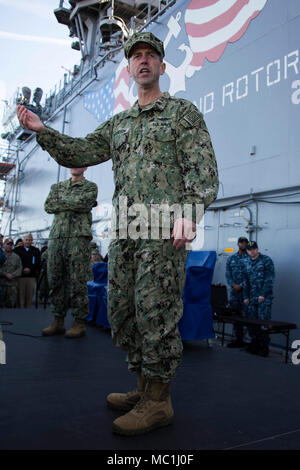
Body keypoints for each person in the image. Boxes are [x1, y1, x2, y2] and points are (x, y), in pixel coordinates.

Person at [16, 31, 219, 435]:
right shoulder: (119, 124)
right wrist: (42, 130)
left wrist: (190, 212)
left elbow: (203, 169)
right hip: (126, 230)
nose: (143, 61)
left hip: (162, 229)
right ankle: (143, 387)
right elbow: (79, 152)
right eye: (136, 56)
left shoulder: (182, 113)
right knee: (124, 311)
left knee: (156, 313)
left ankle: (159, 401)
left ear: (161, 65)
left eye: (150, 55)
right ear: (129, 69)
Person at [41, 167, 98, 339]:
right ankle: (58, 320)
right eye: (71, 164)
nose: (75, 167)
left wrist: (62, 202)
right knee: (55, 278)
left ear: (85, 167)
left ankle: (79, 322)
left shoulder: (90, 187)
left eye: (78, 164)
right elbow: (48, 206)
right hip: (57, 237)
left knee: (78, 280)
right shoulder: (56, 187)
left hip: (78, 237)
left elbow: (84, 204)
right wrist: (72, 201)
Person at [243, 241, 275, 357]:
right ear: (247, 251)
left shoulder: (266, 260)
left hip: (264, 298)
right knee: (252, 322)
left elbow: (269, 279)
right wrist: (245, 296)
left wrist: (263, 294)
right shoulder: (246, 262)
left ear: (257, 249)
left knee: (263, 322)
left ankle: (264, 347)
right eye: (250, 249)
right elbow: (245, 281)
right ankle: (254, 345)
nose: (252, 251)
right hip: (252, 298)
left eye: (254, 249)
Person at [225, 236, 249, 347]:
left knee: (246, 316)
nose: (243, 245)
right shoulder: (231, 259)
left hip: (245, 293)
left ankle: (246, 340)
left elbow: (251, 275)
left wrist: (242, 285)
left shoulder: (250, 259)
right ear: (238, 244)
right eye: (241, 243)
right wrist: (233, 285)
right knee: (235, 315)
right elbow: (228, 274)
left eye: (245, 243)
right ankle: (237, 339)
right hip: (234, 293)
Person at [14, 233, 41, 308]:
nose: (28, 242)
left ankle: (28, 313)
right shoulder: (17, 250)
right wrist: (22, 269)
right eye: (26, 240)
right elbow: (15, 263)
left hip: (31, 277)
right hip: (20, 276)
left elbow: (38, 263)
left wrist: (30, 269)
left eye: (29, 240)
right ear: (23, 240)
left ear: (32, 241)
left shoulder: (35, 251)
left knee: (29, 297)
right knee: (20, 297)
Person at [0, 238, 22, 308]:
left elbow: (19, 268)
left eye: (11, 245)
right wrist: (5, 274)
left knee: (11, 306)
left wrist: (13, 275)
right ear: (3, 245)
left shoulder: (16, 257)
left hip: (12, 285)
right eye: (7, 244)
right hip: (2, 284)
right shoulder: (1, 256)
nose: (9, 246)